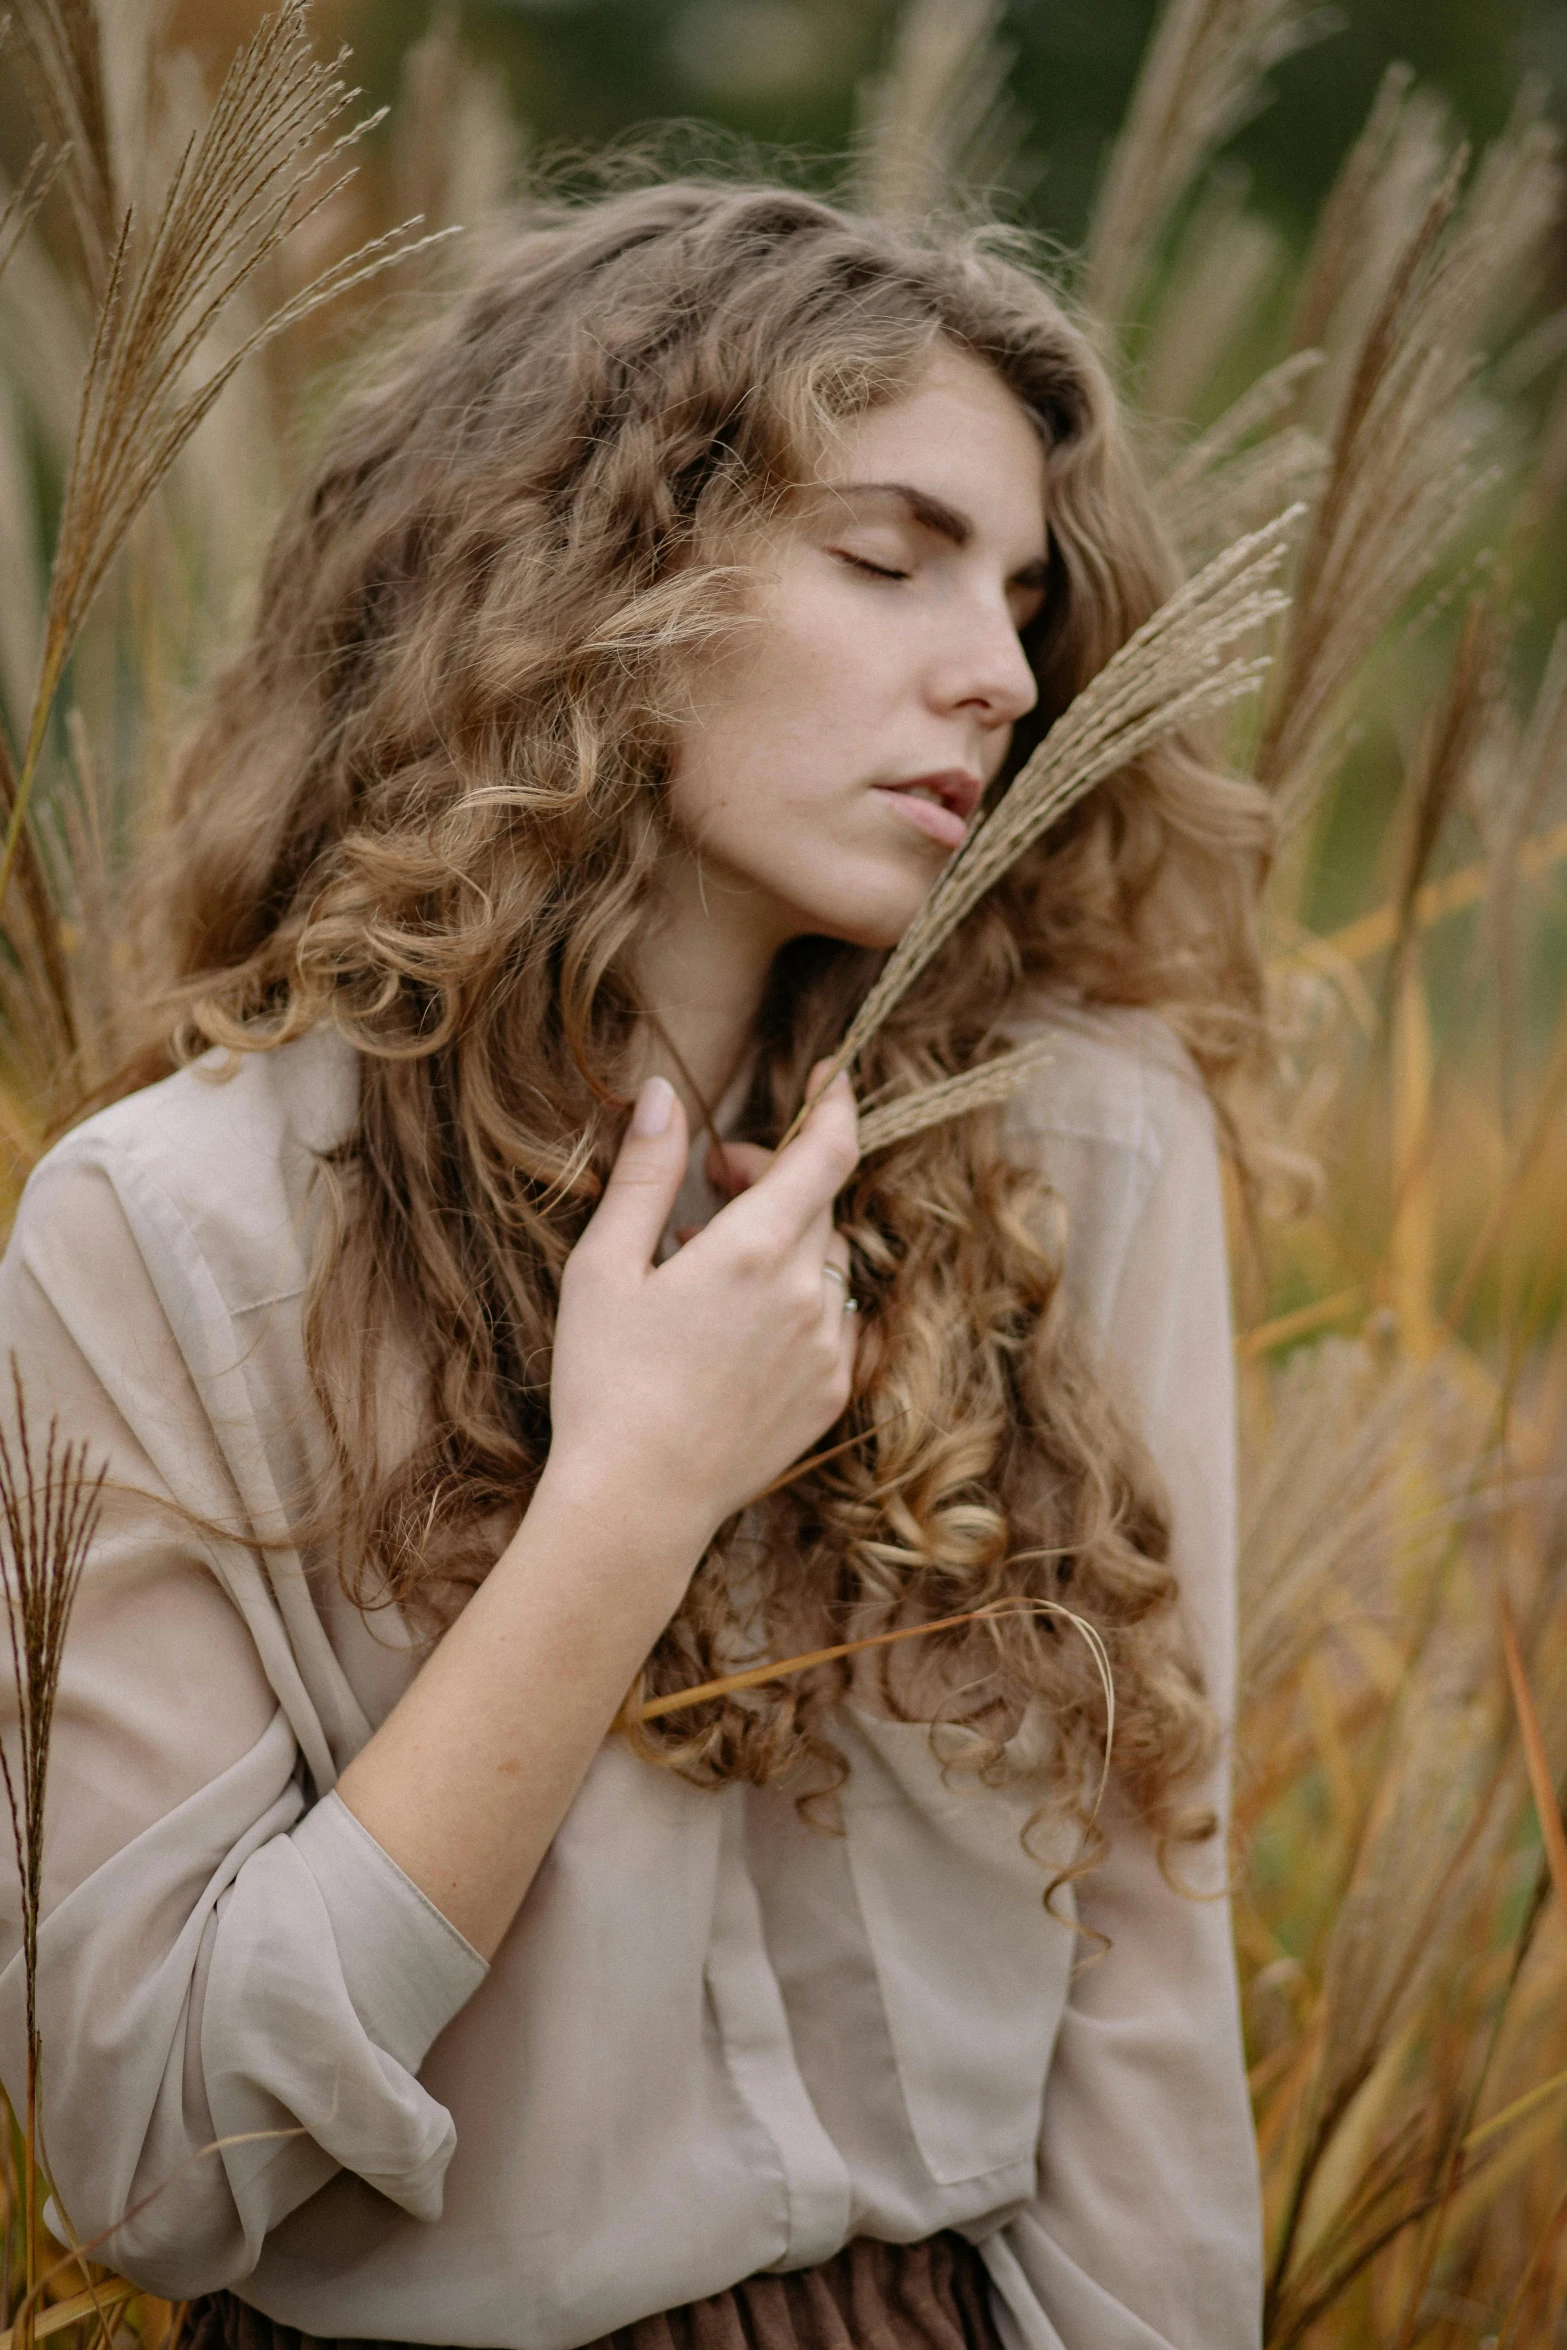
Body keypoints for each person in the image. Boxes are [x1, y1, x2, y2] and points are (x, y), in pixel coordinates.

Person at [1, 182, 1271, 2350]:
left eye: (1026, 595)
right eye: (888, 558)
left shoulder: (1080, 1145)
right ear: (594, 580)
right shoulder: (168, 1232)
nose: (998, 666)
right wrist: (626, 1501)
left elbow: (1151, 1970)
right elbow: (156, 2144)